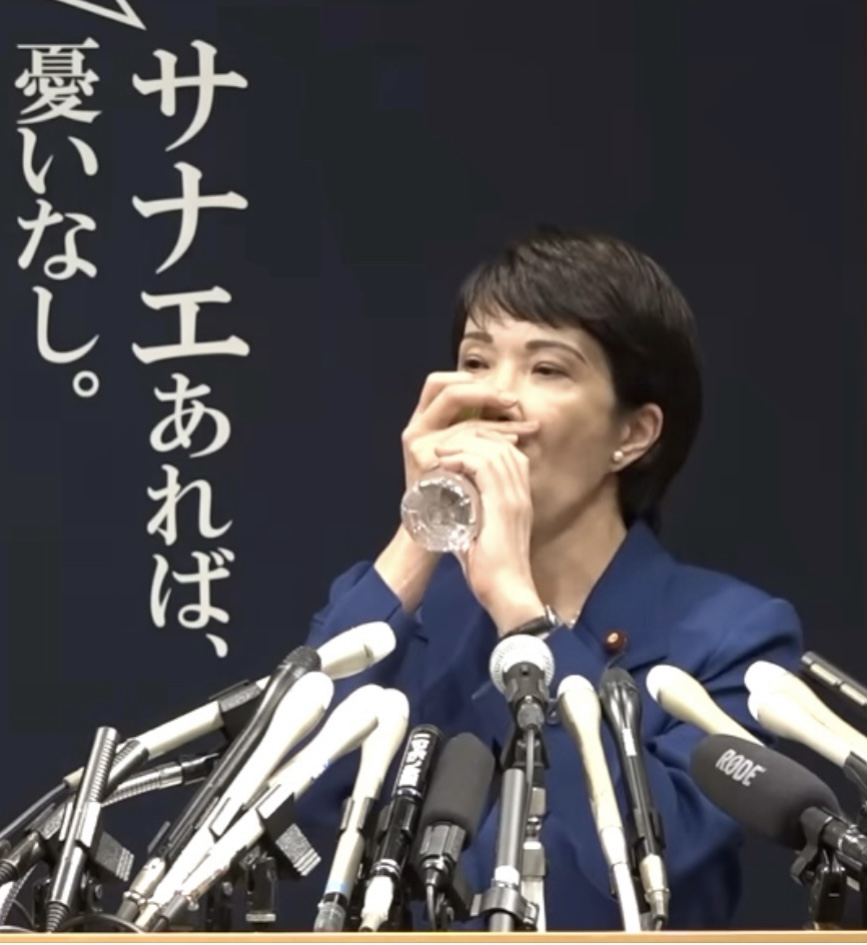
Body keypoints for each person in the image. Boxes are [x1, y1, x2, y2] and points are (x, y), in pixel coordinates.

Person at [297, 226, 802, 930]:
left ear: (633, 434)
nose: (494, 399)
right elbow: (302, 784)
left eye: (546, 370)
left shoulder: (731, 634)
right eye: (476, 362)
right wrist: (422, 531)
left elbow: (651, 866)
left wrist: (520, 612)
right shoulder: (416, 607)